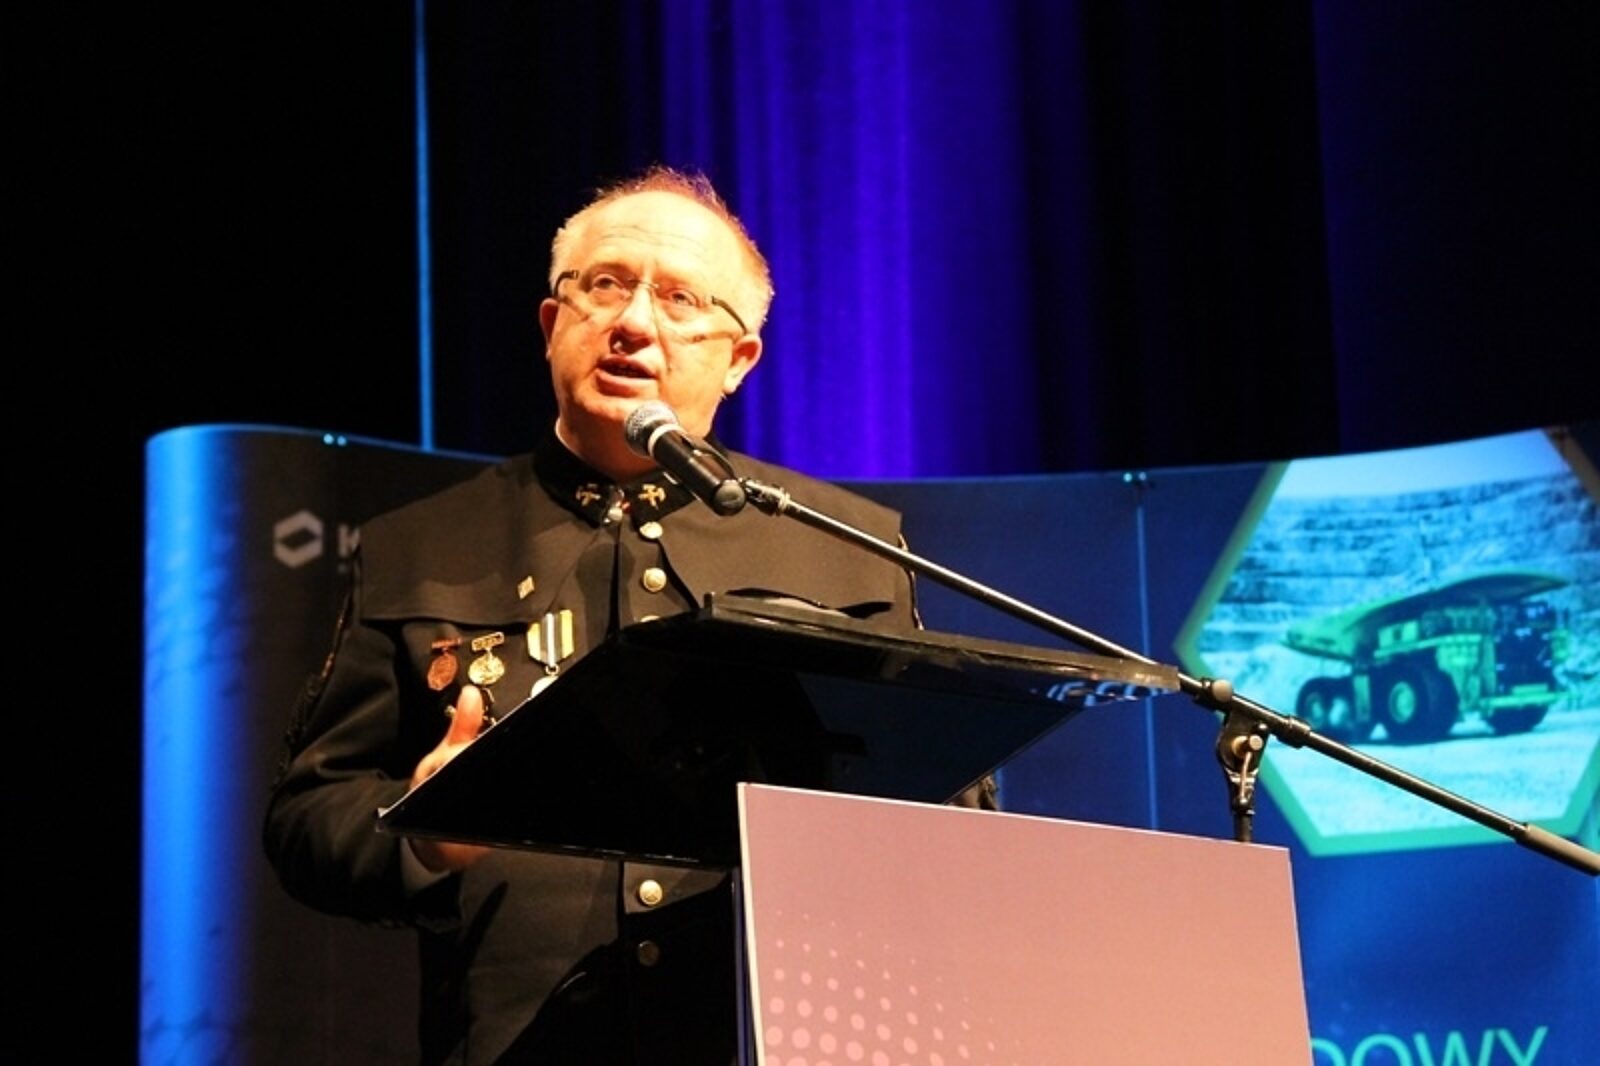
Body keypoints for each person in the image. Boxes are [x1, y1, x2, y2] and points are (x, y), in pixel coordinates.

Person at [262, 165, 995, 1066]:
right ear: (551, 324)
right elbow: (306, 818)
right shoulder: (418, 547)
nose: (635, 322)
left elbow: (946, 813)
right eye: (606, 284)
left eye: (682, 299)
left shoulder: (844, 547)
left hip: (775, 1037)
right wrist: (424, 827)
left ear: (739, 359)